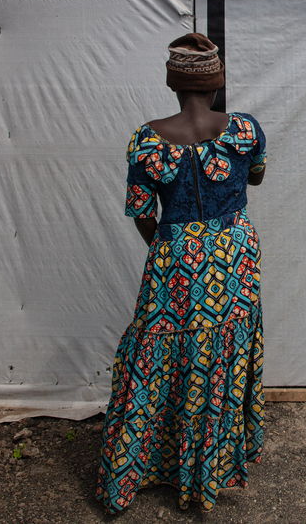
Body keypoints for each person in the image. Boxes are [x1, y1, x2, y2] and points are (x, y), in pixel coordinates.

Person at [96, 32, 267, 513]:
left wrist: (169, 248)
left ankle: (140, 469)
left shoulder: (146, 139)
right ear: (217, 83)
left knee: (156, 354)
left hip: (174, 256)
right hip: (235, 256)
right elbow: (256, 175)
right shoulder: (246, 130)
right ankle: (211, 467)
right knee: (221, 355)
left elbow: (140, 211)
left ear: (173, 85)